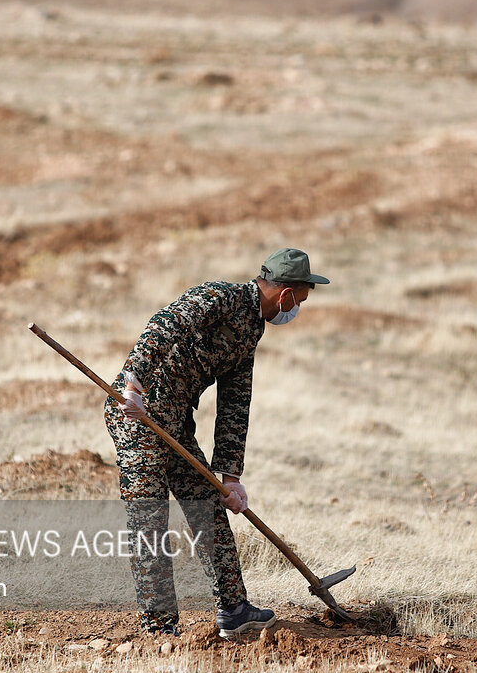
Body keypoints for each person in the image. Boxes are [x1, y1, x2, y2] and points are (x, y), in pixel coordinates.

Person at [104, 248, 329, 638]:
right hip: (137, 415)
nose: (297, 311)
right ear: (286, 295)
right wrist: (133, 384)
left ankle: (234, 609)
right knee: (149, 519)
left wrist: (231, 476)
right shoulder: (219, 298)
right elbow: (163, 326)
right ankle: (160, 629)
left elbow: (235, 403)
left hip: (173, 423)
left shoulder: (251, 331)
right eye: (300, 301)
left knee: (208, 503)